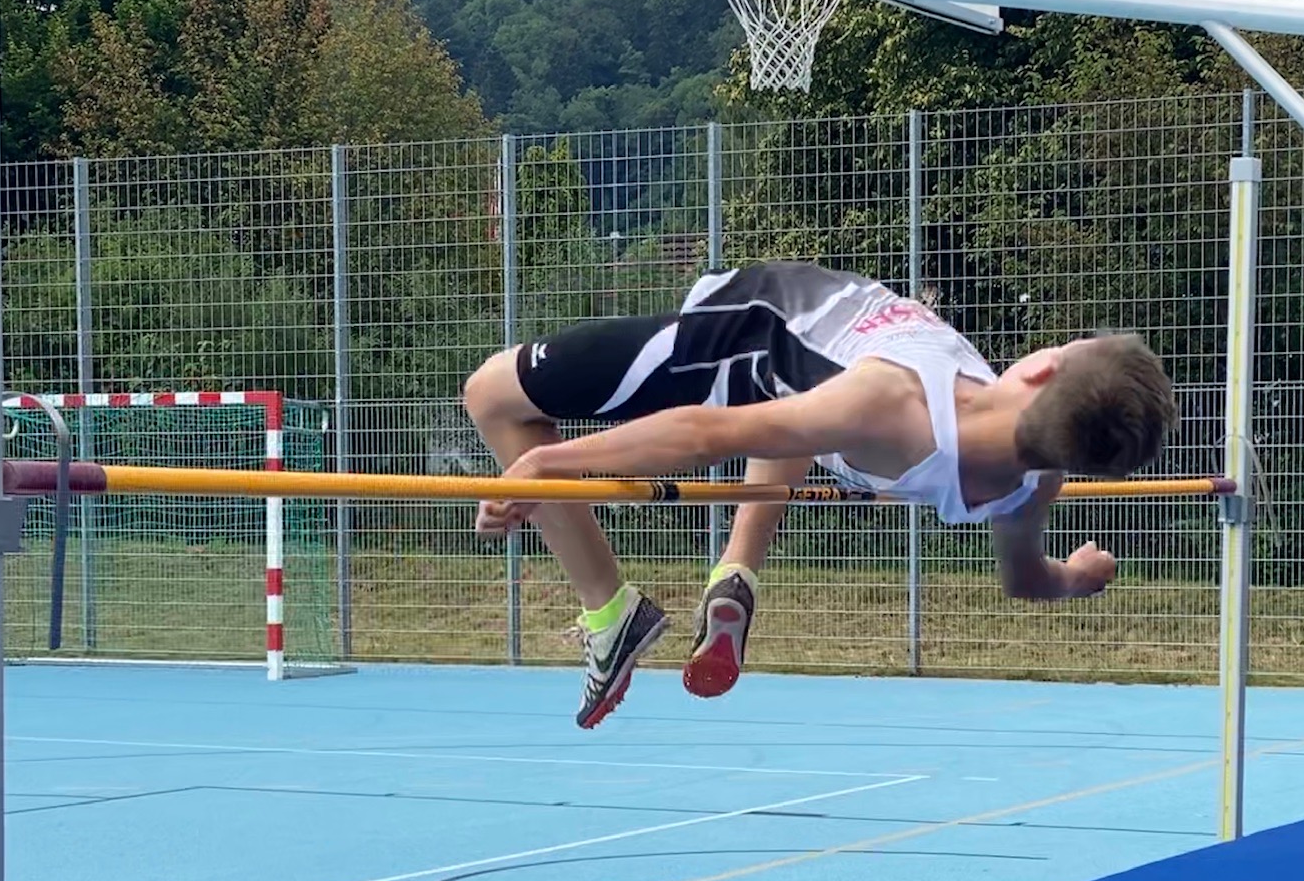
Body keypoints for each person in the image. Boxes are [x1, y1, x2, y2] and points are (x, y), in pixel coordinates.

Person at [460, 260, 1178, 728]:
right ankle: (735, 572)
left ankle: (609, 609)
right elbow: (1026, 579)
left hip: (741, 331)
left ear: (1041, 370)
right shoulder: (1030, 483)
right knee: (797, 414)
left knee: (492, 393)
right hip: (826, 410)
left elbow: (706, 433)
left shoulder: (890, 400)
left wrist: (546, 463)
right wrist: (1079, 575)